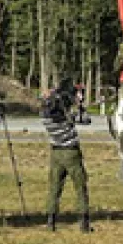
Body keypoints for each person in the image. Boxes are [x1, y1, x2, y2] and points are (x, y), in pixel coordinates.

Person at [41, 81, 90, 232]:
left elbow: (49, 104)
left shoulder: (46, 117)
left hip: (55, 153)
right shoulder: (68, 117)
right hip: (71, 152)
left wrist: (55, 94)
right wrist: (79, 104)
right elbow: (85, 119)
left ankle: (51, 221)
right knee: (80, 187)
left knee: (54, 188)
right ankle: (84, 223)